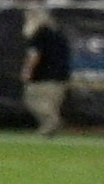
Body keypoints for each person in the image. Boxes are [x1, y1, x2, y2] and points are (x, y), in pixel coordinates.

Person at [23, 9, 73, 137]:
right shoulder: (59, 35)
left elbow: (34, 55)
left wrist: (28, 70)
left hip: (43, 76)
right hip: (61, 76)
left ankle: (52, 123)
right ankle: (48, 128)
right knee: (52, 105)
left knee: (33, 102)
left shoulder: (39, 35)